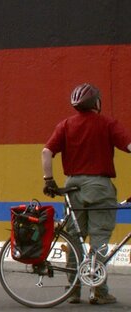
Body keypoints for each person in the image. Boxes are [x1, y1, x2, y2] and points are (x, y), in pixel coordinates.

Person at [42, 83, 131, 305]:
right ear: (95, 102)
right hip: (99, 186)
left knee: (74, 238)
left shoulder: (65, 125)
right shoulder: (107, 123)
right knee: (99, 236)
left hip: (73, 186)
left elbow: (46, 151)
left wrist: (49, 180)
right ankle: (99, 291)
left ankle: (72, 290)